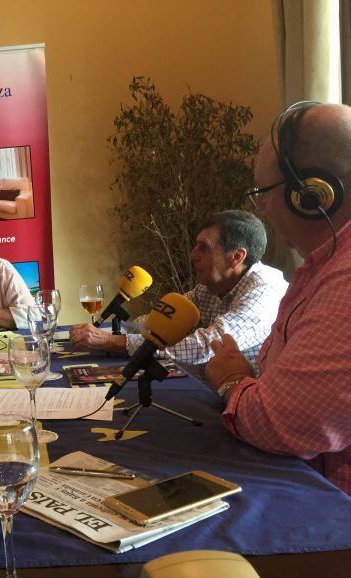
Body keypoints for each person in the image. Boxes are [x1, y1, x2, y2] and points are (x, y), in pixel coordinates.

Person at [206, 102, 351, 496]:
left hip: (331, 530)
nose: (263, 209)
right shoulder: (325, 265)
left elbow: (278, 421)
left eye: (264, 194)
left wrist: (232, 381)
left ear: (312, 195)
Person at [70, 210, 288, 381]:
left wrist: (112, 341)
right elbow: (165, 321)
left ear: (236, 257)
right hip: (208, 390)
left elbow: (205, 346)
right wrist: (136, 326)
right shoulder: (211, 285)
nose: (192, 255)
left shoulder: (264, 291)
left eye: (204, 248)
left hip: (244, 410)